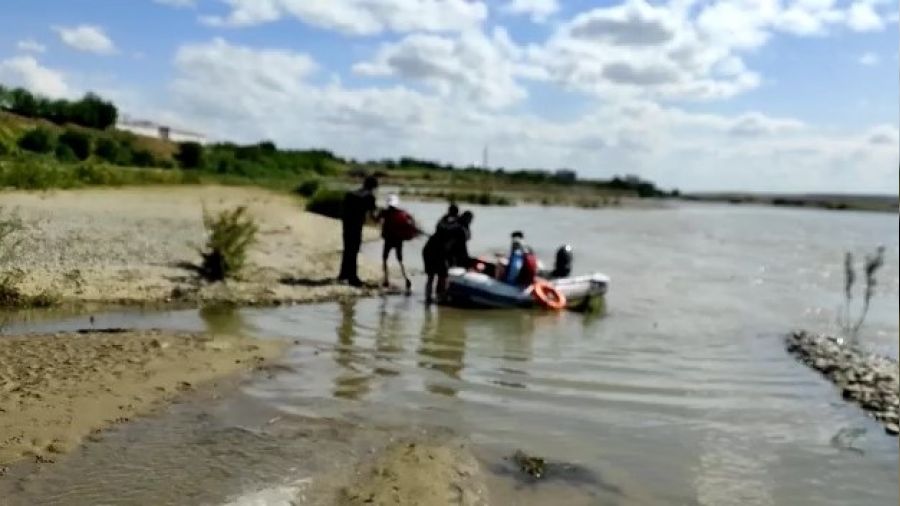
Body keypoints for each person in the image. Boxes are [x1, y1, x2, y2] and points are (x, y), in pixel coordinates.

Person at [338, 175, 378, 287]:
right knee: (354, 250)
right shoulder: (370, 196)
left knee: (347, 249)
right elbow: (372, 215)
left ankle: (343, 274)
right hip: (356, 225)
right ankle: (353, 277)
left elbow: (342, 209)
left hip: (347, 224)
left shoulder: (350, 193)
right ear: (374, 186)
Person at [422, 205, 466, 303]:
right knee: (442, 275)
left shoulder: (442, 221)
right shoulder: (458, 226)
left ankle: (429, 298)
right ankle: (440, 297)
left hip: (429, 249)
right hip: (438, 251)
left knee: (431, 276)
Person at [377, 194, 418, 292]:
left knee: (385, 258)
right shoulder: (403, 212)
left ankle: (386, 279)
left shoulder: (385, 212)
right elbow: (412, 221)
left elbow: (376, 219)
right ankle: (406, 278)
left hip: (388, 239)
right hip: (398, 239)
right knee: (400, 260)